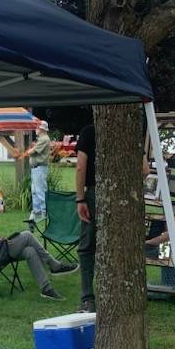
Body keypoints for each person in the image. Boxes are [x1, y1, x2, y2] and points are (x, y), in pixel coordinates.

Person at [0, 185, 76, 300]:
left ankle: (46, 289)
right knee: (27, 235)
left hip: (0, 249)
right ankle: (55, 266)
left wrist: (0, 240)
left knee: (30, 251)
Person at [75, 124, 97, 312]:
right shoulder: (131, 129)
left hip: (94, 195)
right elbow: (145, 169)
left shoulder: (89, 132)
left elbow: (81, 166)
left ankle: (88, 298)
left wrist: (80, 198)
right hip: (123, 196)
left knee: (87, 248)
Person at [16, 120, 51, 221]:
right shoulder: (41, 139)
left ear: (41, 129)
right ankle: (37, 212)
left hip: (40, 168)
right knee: (35, 191)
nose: (36, 129)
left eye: (37, 127)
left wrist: (23, 154)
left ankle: (44, 212)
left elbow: (33, 151)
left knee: (40, 190)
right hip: (36, 169)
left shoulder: (44, 139)